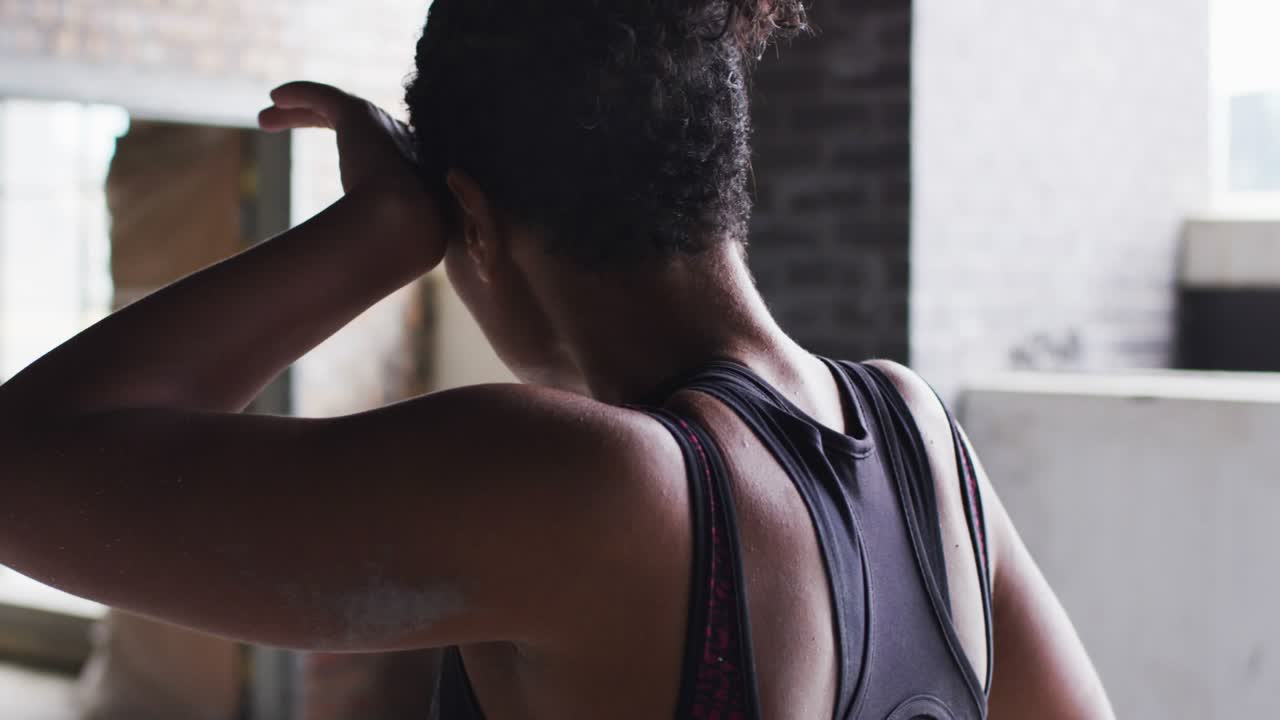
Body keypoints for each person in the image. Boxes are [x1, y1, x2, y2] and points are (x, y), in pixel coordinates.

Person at [0, 1, 1114, 718]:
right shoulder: (920, 442)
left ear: (469, 222)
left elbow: (23, 473)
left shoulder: (596, 487)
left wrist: (373, 237)